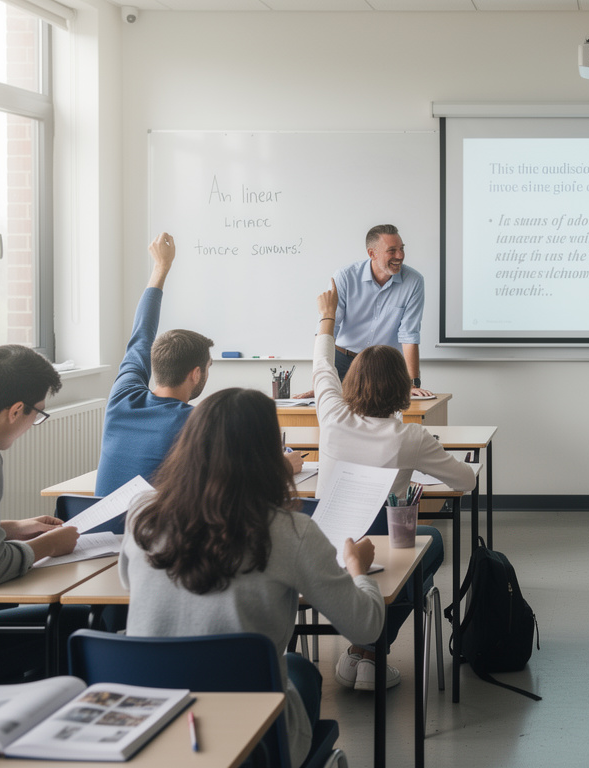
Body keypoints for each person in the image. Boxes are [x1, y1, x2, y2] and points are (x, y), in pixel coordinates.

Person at [121, 388, 385, 768]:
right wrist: (357, 568)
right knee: (302, 672)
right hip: (252, 738)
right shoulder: (291, 531)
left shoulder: (141, 515)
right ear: (267, 455)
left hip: (152, 727)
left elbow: (131, 584)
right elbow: (366, 627)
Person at [314, 280, 473, 689]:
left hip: (323, 549)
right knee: (430, 543)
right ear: (402, 386)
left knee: (411, 555)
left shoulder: (331, 416)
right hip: (380, 549)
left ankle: (361, 650)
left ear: (351, 383)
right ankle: (372, 652)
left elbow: (322, 365)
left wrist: (327, 317)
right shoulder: (410, 438)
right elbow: (466, 481)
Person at [95, 234, 298, 497]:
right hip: (153, 524)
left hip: (95, 521)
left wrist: (160, 268)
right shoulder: (197, 423)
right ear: (196, 373)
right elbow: (246, 477)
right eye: (209, 367)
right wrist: (285, 465)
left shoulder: (121, 397)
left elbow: (141, 335)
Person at [0, 345, 81, 686]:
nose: (34, 423)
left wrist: (12, 528)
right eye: (38, 413)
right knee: (75, 619)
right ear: (17, 410)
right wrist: (50, 545)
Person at [325, 224, 432, 397]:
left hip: (385, 364)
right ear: (372, 253)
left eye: (402, 249)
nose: (400, 256)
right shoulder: (345, 277)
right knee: (338, 410)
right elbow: (329, 329)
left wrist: (412, 384)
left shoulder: (414, 281)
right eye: (392, 250)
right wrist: (322, 380)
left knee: (388, 410)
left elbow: (409, 334)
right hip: (345, 362)